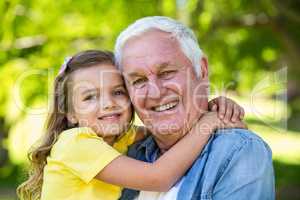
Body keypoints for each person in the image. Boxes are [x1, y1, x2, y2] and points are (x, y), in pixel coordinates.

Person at [17, 50, 246, 200]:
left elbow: (172, 129)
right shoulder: (75, 144)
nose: (108, 104)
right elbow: (158, 177)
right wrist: (208, 123)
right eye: (90, 97)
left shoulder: (121, 137)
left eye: (118, 92)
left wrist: (211, 108)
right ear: (71, 113)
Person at [115, 16, 275, 200]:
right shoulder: (130, 151)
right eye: (139, 81)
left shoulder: (238, 152)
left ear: (202, 70)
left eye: (167, 73)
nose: (155, 92)